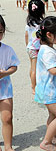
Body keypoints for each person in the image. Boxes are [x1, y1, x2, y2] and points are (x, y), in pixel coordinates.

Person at [35, 16, 56, 151]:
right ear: (49, 35)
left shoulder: (46, 49)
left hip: (48, 89)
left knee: (53, 115)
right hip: (49, 90)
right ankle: (46, 142)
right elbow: (53, 70)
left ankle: (52, 137)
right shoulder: (47, 52)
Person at [0, 15, 20, 151]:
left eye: (0, 32)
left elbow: (14, 66)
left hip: (4, 88)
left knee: (7, 117)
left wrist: (5, 73)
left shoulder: (7, 50)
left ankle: (8, 146)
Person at [25, 0, 45, 94]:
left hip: (30, 47)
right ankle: (34, 87)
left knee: (32, 67)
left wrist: (27, 46)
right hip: (37, 49)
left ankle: (33, 84)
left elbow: (26, 36)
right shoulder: (42, 24)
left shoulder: (28, 24)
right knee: (35, 69)